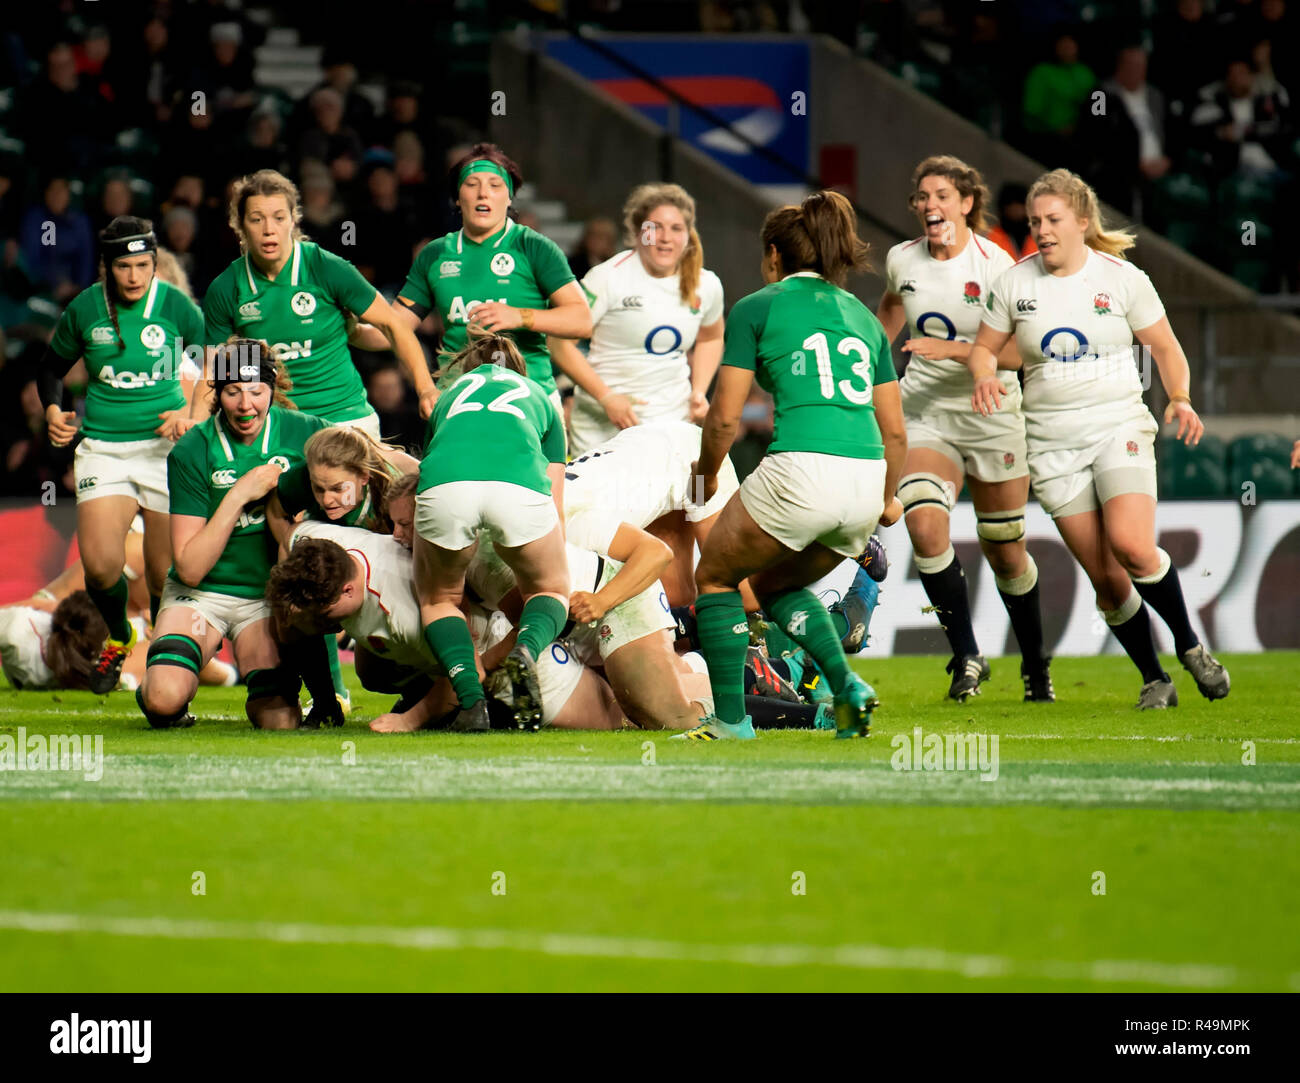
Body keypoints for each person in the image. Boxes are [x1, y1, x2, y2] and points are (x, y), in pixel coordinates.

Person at [967, 168, 1230, 709]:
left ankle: (1190, 646)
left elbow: (1165, 347)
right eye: (1036, 220)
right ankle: (1155, 679)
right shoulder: (1013, 283)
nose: (1041, 229)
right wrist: (984, 374)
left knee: (1132, 547)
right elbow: (983, 348)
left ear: (1082, 222)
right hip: (1051, 445)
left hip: (1118, 426)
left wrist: (1179, 397)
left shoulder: (1122, 277)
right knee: (1108, 581)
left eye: (1053, 220)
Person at [680, 190, 906, 741]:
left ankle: (731, 723)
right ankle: (846, 683)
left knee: (714, 576)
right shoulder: (863, 316)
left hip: (802, 470)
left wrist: (704, 476)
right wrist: (887, 497)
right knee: (775, 586)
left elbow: (725, 419)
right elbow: (896, 429)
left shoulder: (757, 306)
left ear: (775, 257)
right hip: (864, 479)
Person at [876, 156, 1051, 702]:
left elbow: (1020, 352)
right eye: (923, 196)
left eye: (943, 196)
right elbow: (886, 317)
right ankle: (966, 656)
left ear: (968, 202)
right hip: (925, 412)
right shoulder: (901, 260)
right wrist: (866, 368)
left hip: (992, 411)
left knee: (1005, 549)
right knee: (925, 528)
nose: (932, 205)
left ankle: (1034, 664)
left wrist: (951, 350)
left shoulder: (998, 265)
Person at [38, 216, 204, 694]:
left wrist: (192, 414)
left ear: (154, 263)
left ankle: (162, 652)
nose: (134, 275)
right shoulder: (85, 309)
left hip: (164, 451)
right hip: (104, 450)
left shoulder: (174, 305)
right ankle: (119, 634)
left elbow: (217, 357)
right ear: (106, 267)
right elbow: (50, 368)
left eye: (143, 265)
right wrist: (54, 408)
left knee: (160, 572)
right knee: (101, 567)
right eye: (124, 266)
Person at [136, 340, 330, 729]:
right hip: (200, 596)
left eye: (257, 391)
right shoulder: (192, 449)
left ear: (272, 389)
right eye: (233, 391)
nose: (246, 405)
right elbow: (189, 568)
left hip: (263, 599)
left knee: (279, 720)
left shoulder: (308, 434)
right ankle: (159, 680)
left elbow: (358, 470)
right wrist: (240, 494)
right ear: (217, 392)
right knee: (163, 699)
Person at [352, 144, 592, 413]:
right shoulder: (435, 254)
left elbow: (582, 321)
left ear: (510, 197)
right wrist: (350, 330)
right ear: (457, 197)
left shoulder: (534, 247)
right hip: (458, 399)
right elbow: (392, 330)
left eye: (495, 185)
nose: (483, 193)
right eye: (471, 184)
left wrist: (521, 316)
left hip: (530, 397)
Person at [198, 169, 436, 437]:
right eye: (256, 219)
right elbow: (213, 366)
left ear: (293, 220)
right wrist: (193, 423)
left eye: (279, 218)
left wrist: (425, 388)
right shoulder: (225, 288)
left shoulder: (327, 268)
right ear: (239, 224)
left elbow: (392, 325)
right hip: (275, 428)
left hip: (345, 419)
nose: (268, 230)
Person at [412, 334, 570, 733]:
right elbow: (555, 496)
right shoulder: (540, 397)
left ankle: (470, 704)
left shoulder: (448, 398)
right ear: (519, 369)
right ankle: (525, 651)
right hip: (518, 489)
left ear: (468, 369)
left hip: (446, 489)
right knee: (550, 589)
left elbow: (432, 463)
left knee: (439, 599)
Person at [553, 183, 725, 455]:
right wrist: (606, 397)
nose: (665, 237)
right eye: (655, 227)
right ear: (637, 232)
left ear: (688, 235)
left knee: (694, 494)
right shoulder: (607, 278)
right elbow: (559, 344)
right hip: (602, 429)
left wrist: (700, 391)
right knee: (606, 498)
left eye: (676, 228)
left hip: (671, 422)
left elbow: (711, 337)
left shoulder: (707, 284)